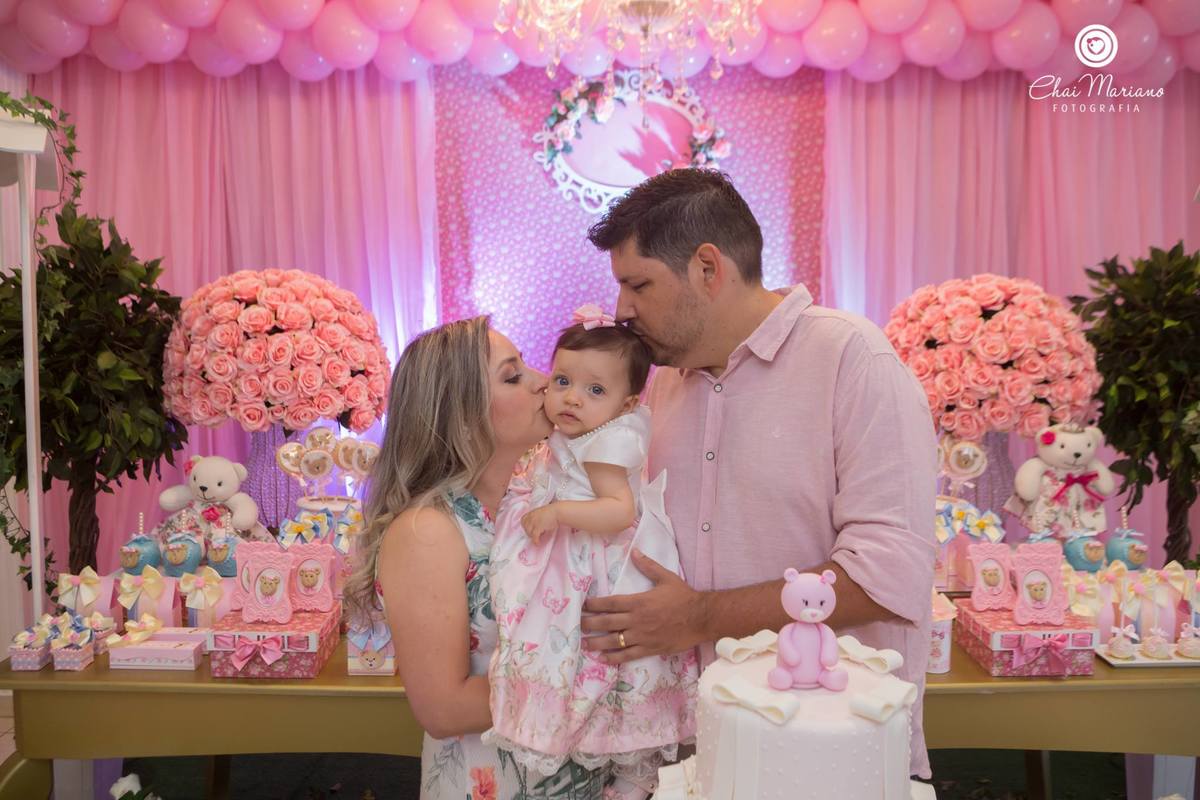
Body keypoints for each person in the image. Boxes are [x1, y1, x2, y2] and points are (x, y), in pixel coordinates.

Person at [578, 168, 938, 779]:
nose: (622, 309)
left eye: (638, 284)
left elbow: (887, 578)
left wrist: (697, 618)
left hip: (825, 749)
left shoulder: (852, 359)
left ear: (707, 268)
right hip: (694, 749)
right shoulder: (665, 385)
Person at [345, 318, 608, 800]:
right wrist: (602, 674)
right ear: (464, 417)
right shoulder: (428, 532)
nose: (542, 381)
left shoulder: (540, 503)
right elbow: (443, 709)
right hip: (495, 783)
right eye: (512, 377)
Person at [486, 307, 697, 800]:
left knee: (602, 659)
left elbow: (619, 511)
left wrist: (559, 512)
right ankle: (614, 766)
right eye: (562, 381)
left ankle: (630, 772)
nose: (572, 398)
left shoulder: (606, 444)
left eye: (595, 390)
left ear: (627, 405)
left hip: (603, 561)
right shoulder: (578, 433)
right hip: (580, 550)